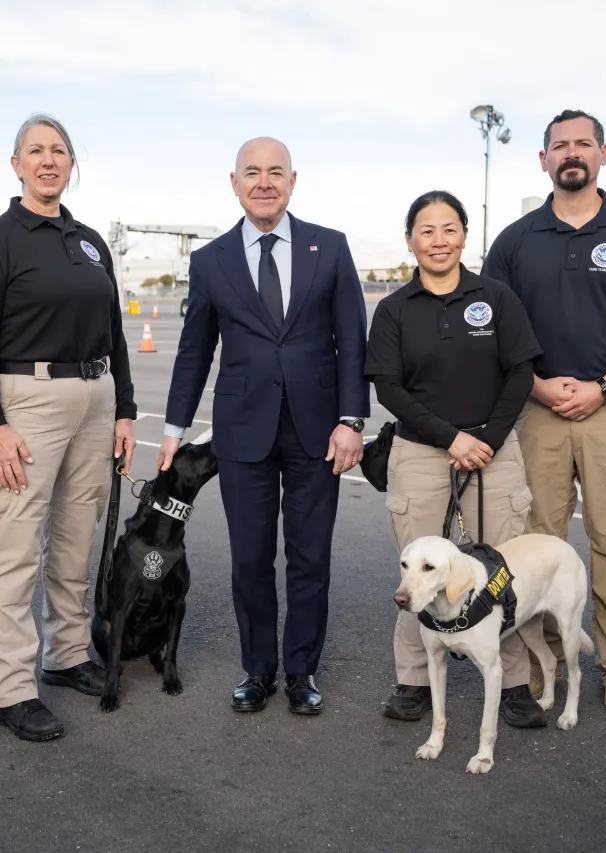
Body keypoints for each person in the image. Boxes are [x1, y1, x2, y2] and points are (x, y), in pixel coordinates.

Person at [483, 109, 606, 713]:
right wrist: (540, 388)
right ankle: (547, 660)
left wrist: (605, 384)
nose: (572, 154)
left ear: (603, 153)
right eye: (560, 146)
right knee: (537, 543)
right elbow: (494, 326)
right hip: (538, 410)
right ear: (542, 160)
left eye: (583, 144)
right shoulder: (516, 240)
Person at [159, 137, 369, 715]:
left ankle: (302, 672)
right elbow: (194, 352)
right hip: (242, 431)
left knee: (309, 558)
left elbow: (353, 340)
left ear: (293, 181)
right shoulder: (211, 260)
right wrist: (174, 430)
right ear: (234, 183)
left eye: (276, 172)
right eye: (252, 172)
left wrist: (352, 419)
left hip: (317, 430)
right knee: (250, 559)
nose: (264, 182)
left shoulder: (330, 248)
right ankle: (258, 670)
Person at [0, 113, 137, 743]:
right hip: (26, 399)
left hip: (95, 394)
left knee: (76, 536)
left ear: (72, 163)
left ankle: (67, 655)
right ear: (16, 165)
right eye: (36, 151)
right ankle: (11, 688)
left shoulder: (90, 242)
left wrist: (126, 410)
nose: (49, 160)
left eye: (60, 151)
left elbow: (114, 331)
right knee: (14, 545)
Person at [364, 190, 545, 728]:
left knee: (499, 572)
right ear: (410, 240)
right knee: (419, 572)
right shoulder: (394, 309)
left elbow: (519, 373)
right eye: (426, 230)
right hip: (421, 455)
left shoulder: (497, 297)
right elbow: (389, 388)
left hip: (495, 452)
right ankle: (415, 681)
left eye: (449, 229)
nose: (438, 240)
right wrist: (452, 440)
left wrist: (486, 437)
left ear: (464, 234)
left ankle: (512, 683)